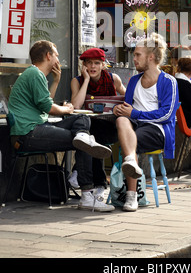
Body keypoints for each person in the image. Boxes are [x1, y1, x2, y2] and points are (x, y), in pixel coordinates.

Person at [7, 40, 114, 212]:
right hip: (28, 133)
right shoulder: (34, 73)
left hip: (37, 128)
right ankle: (87, 196)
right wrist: (66, 108)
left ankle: (82, 140)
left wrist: (56, 81)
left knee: (81, 121)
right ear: (48, 56)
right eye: (56, 54)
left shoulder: (36, 74)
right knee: (84, 142)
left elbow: (45, 104)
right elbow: (48, 107)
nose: (58, 58)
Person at [113, 33, 179, 212]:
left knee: (131, 140)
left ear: (151, 57)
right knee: (121, 121)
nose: (134, 59)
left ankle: (131, 195)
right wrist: (118, 110)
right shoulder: (134, 80)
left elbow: (166, 115)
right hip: (134, 125)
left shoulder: (169, 82)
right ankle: (130, 164)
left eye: (137, 55)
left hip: (158, 129)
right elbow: (127, 109)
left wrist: (134, 113)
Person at [70, 47, 125, 202]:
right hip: (88, 128)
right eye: (89, 63)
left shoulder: (113, 79)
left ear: (103, 65)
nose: (92, 67)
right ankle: (100, 185)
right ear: (84, 66)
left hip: (109, 127)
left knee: (93, 136)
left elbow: (127, 97)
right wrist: (86, 80)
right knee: (92, 134)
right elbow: (76, 105)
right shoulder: (77, 81)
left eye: (96, 63)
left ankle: (77, 171)